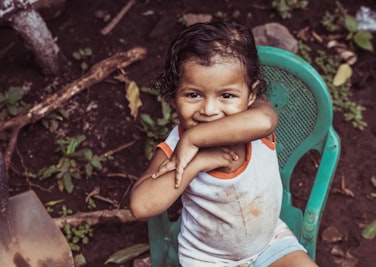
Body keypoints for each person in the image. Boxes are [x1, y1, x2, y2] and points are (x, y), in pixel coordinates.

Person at [130, 21, 318, 267]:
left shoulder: (256, 115)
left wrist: (195, 137)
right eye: (193, 94)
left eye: (226, 96)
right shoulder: (176, 146)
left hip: (270, 243)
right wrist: (196, 163)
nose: (209, 110)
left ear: (251, 95)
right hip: (207, 258)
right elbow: (141, 206)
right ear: (174, 96)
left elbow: (265, 120)